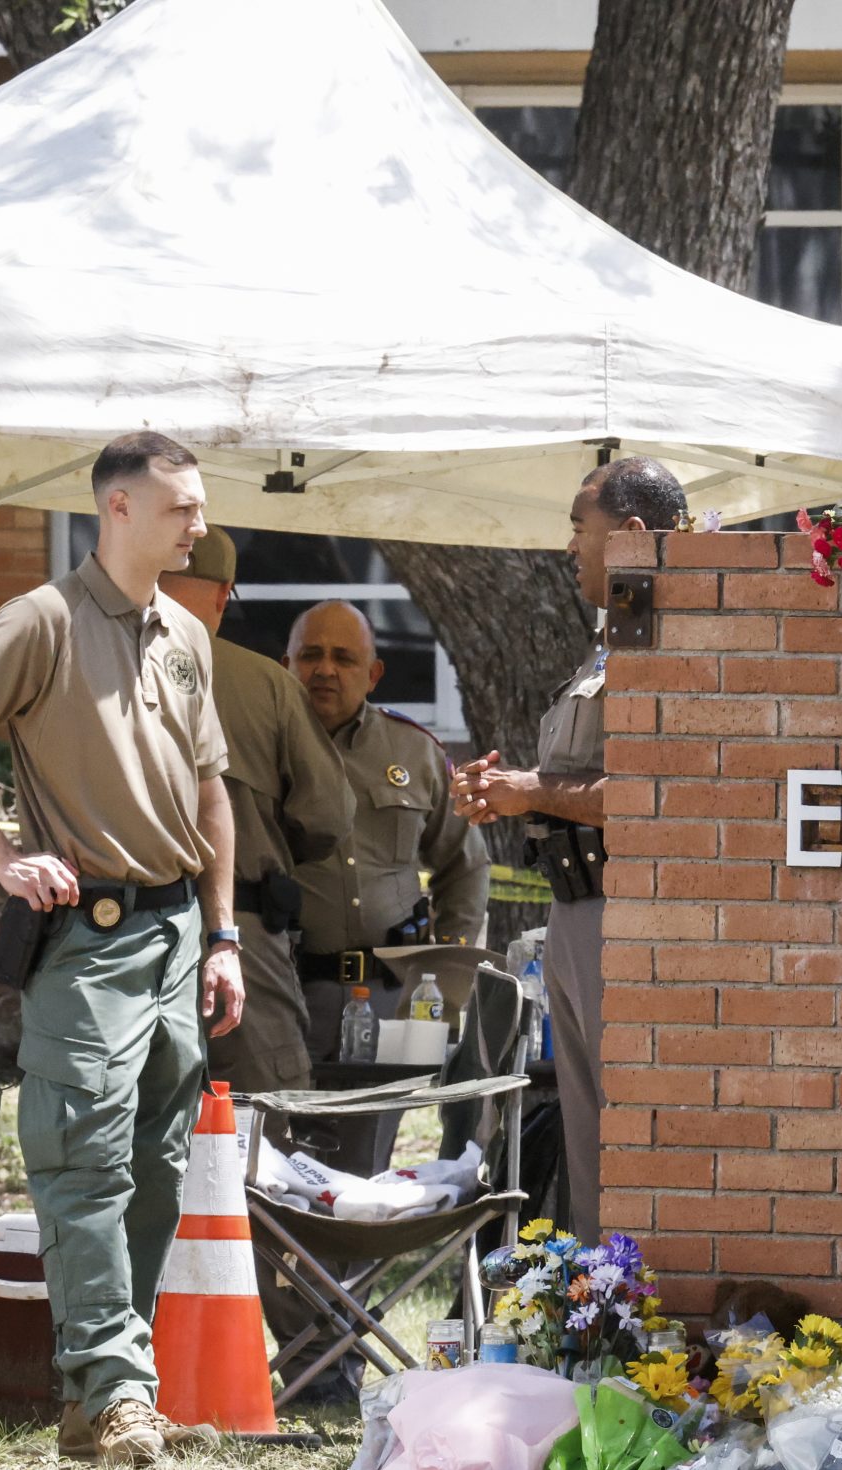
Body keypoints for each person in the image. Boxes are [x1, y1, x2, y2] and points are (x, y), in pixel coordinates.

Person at [0, 431, 246, 1470]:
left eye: (200, 506)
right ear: (120, 510)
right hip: (88, 937)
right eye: (182, 507)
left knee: (153, 1164)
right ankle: (112, 1387)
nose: (199, 524)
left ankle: (106, 1392)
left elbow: (210, 790)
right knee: (81, 1160)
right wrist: (1, 856)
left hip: (179, 929)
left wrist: (222, 932)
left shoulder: (184, 631)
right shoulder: (40, 620)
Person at [450, 456, 683, 1242]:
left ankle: (637, 1325)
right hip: (578, 909)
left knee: (629, 1147)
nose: (571, 550)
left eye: (581, 532)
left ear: (634, 535)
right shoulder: (610, 643)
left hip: (628, 916)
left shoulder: (675, 635)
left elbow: (647, 793)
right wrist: (508, 788)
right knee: (588, 1154)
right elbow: (576, 774)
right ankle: (599, 1321)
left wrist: (531, 790)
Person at [154, 530, 351, 1097]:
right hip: (238, 933)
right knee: (262, 1111)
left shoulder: (98, 664)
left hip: (118, 929)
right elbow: (327, 818)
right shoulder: (264, 682)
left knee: (141, 1110)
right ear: (223, 595)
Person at [285, 598, 489, 1074]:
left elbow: (465, 864)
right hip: (285, 992)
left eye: (344, 657)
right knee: (278, 1140)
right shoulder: (260, 749)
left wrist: (444, 976)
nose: (325, 670)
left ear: (374, 674)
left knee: (369, 1146)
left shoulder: (414, 750)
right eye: (311, 655)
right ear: (285, 665)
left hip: (391, 996)